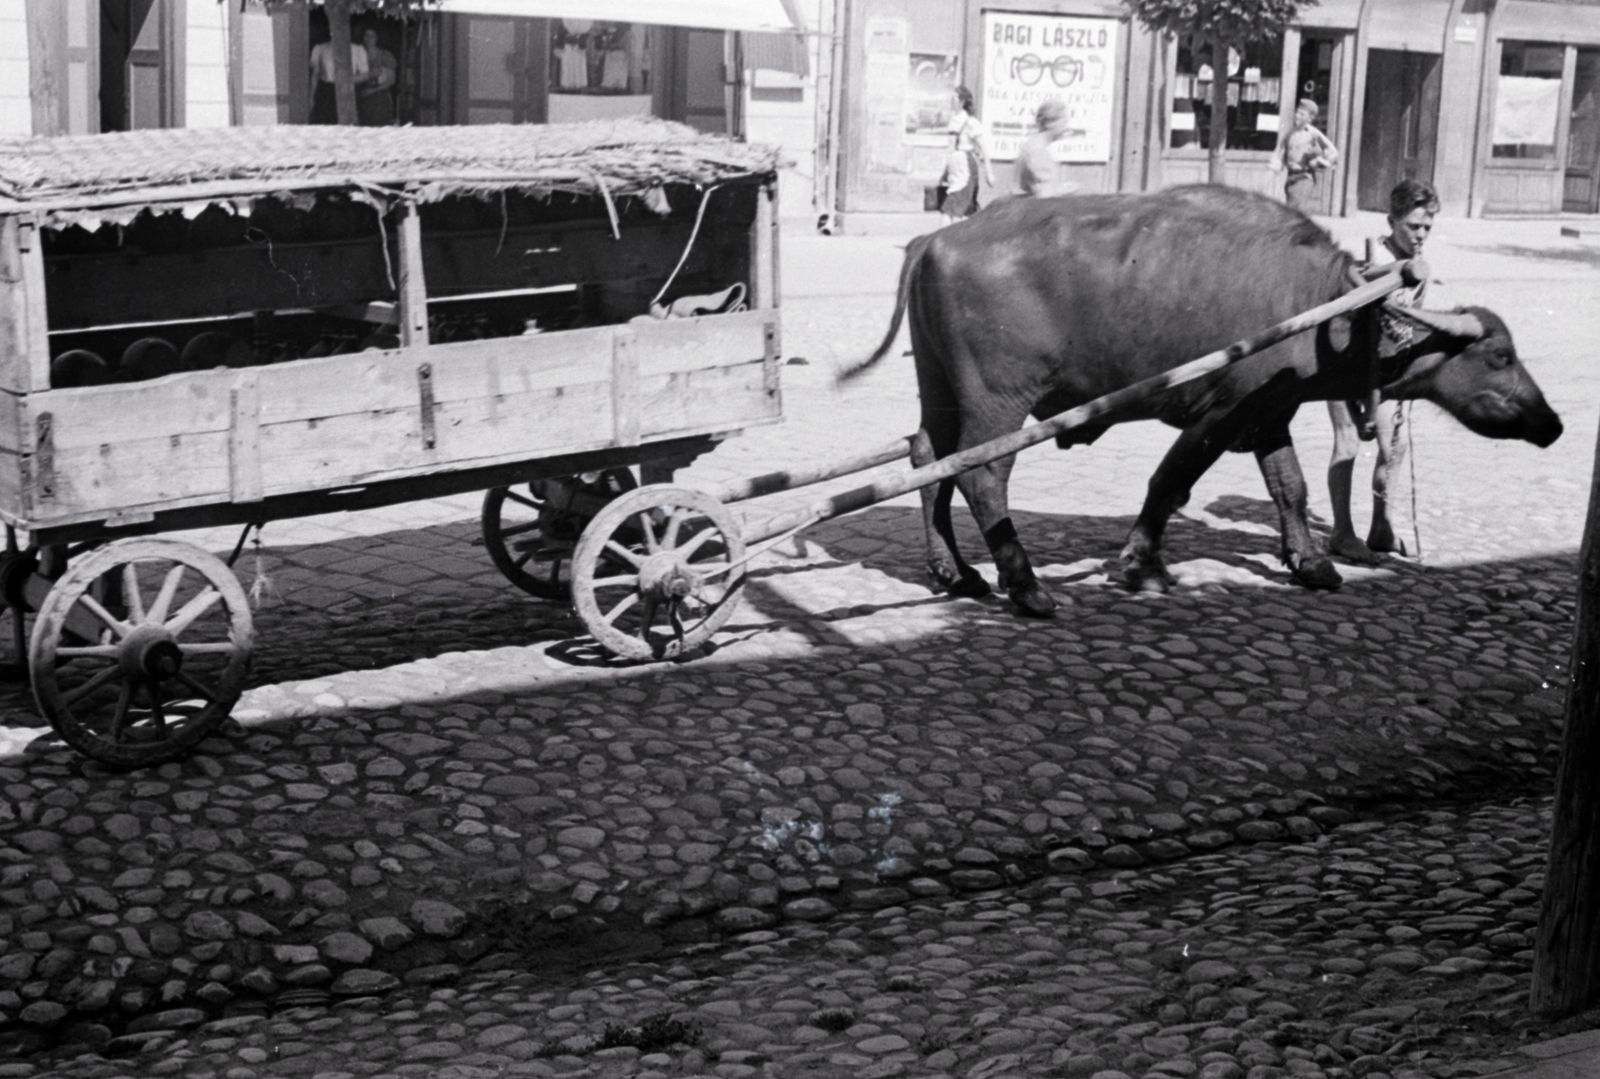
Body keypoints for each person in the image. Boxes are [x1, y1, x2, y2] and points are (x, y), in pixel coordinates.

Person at [1325, 178, 1439, 563]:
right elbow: (1343, 314)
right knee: (1348, 441)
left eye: (1427, 227)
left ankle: (1381, 527)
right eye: (1413, 226)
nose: (1421, 234)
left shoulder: (1420, 268)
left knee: (1395, 446)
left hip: (1388, 370)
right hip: (1345, 363)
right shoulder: (1368, 257)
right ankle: (1341, 532)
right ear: (1392, 221)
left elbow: (1409, 327)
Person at [1270, 98, 1339, 212]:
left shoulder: (1313, 133)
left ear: (1310, 118)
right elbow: (1281, 150)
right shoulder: (1290, 132)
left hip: (1304, 178)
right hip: (1290, 178)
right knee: (1293, 212)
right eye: (1297, 112)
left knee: (1292, 212)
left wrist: (1320, 161)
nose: (1297, 115)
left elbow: (1333, 152)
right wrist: (1276, 165)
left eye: (1302, 114)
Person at [941, 86, 993, 219]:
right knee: (961, 211)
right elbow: (950, 148)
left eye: (954, 98)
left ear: (962, 101)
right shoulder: (953, 121)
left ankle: (947, 237)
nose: (951, 101)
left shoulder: (971, 122)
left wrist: (989, 173)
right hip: (954, 168)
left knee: (951, 208)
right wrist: (944, 173)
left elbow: (984, 149)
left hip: (966, 167)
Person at [1013, 98, 1076, 197]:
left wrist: (1060, 188)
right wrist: (1063, 191)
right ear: (1050, 123)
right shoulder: (1038, 151)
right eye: (1064, 123)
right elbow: (1042, 195)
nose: (1065, 128)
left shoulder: (1032, 145)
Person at [309, 32, 370, 125]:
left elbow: (365, 74)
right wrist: (311, 97)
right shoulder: (320, 48)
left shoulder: (357, 49)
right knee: (325, 123)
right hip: (326, 91)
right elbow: (315, 75)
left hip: (348, 90)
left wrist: (347, 80)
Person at [357, 28, 398, 126]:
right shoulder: (358, 55)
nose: (369, 38)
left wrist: (372, 91)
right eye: (366, 35)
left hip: (380, 97)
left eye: (372, 36)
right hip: (362, 97)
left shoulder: (385, 55)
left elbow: (391, 80)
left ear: (376, 38)